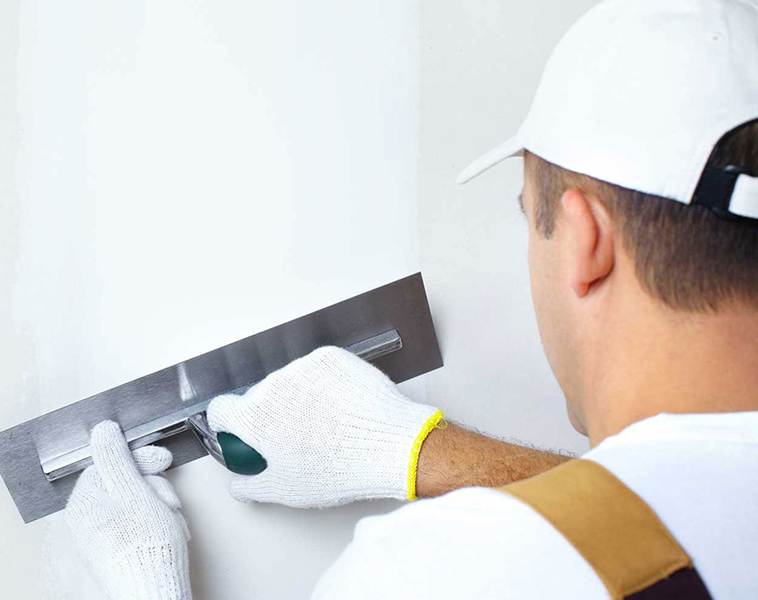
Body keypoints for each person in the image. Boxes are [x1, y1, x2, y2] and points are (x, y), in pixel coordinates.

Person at [62, 0, 758, 598]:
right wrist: (414, 450)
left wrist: (144, 581)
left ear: (584, 240)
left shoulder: (449, 575)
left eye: (529, 217)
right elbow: (685, 516)